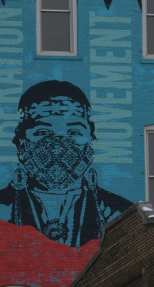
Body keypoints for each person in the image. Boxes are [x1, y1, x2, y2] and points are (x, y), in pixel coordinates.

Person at [0, 81, 130, 246]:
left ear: (91, 140)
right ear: (21, 142)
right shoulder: (3, 209)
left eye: (74, 132)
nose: (57, 147)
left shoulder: (118, 212)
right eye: (43, 132)